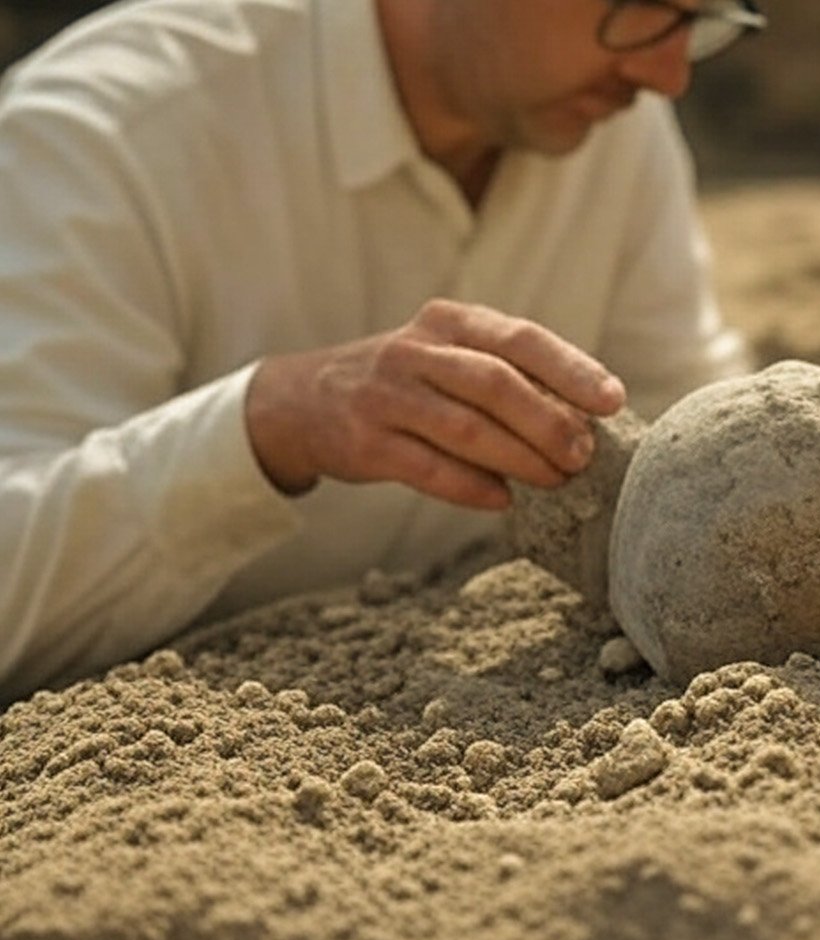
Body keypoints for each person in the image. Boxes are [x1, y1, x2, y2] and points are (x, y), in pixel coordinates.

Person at [0, 0, 767, 698]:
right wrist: (269, 426)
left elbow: (684, 436)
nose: (666, 75)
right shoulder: (98, 134)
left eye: (706, 15)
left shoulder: (610, 116)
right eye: (637, 6)